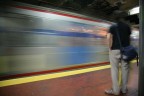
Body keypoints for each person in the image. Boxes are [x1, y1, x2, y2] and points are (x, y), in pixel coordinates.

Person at [105, 11, 131, 95]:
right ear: (122, 18)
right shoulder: (127, 27)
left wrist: (109, 47)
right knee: (125, 69)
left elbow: (108, 37)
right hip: (126, 51)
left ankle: (115, 90)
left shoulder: (112, 27)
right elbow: (128, 38)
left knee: (114, 70)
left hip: (115, 50)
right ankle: (123, 89)